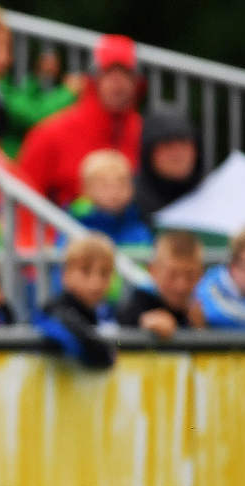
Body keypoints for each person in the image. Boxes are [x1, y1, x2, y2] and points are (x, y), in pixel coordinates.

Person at [18, 34, 143, 207]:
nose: (118, 83)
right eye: (109, 73)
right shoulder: (52, 132)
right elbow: (22, 199)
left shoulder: (142, 132)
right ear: (93, 79)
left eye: (125, 74)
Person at [0, 3, 82, 157]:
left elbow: (18, 99)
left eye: (4, 47)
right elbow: (35, 115)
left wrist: (38, 80)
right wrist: (68, 91)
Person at [35, 235, 117, 369]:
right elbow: (66, 333)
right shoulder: (53, 310)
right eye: (85, 271)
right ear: (65, 274)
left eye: (104, 273)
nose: (96, 282)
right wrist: (102, 353)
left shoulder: (107, 312)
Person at [116, 229, 204, 338]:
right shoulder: (139, 301)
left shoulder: (204, 307)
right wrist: (144, 320)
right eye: (172, 275)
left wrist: (201, 327)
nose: (181, 285)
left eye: (190, 276)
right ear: (153, 271)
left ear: (201, 274)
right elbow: (124, 319)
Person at [67, 149, 152, 247]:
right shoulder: (73, 223)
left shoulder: (138, 225)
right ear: (86, 189)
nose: (114, 192)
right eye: (104, 186)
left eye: (121, 184)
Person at [133, 108, 201, 227]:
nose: (178, 154)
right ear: (149, 153)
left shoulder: (212, 195)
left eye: (184, 144)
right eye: (167, 145)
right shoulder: (126, 203)